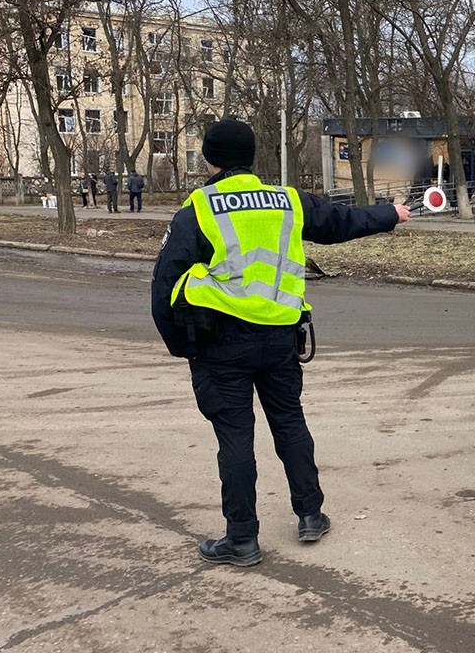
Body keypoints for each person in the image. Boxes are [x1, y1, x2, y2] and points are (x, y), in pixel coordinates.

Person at [151, 119, 412, 567]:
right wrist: (390, 213)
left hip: (221, 343)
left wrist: (184, 347)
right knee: (290, 424)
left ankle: (241, 540)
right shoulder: (286, 200)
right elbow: (341, 221)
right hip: (279, 338)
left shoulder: (198, 209)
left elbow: (164, 286)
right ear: (252, 156)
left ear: (210, 159)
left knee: (235, 438)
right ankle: (311, 514)